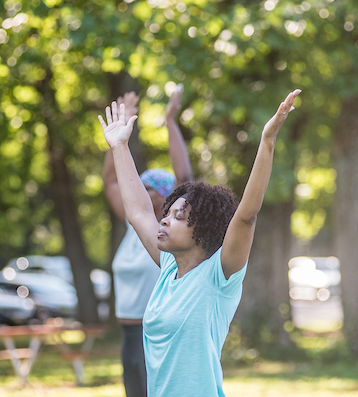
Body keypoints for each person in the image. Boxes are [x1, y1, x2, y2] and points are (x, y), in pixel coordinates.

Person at [98, 88, 301, 397]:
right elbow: (139, 210)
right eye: (168, 213)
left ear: (201, 230)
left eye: (178, 217)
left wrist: (267, 142)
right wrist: (120, 146)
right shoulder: (168, 268)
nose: (164, 220)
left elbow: (246, 216)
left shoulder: (218, 277)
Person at [102, 86, 193, 397]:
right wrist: (117, 135)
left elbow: (185, 177)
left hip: (155, 331)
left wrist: (170, 122)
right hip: (126, 331)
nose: (143, 191)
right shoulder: (134, 226)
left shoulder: (166, 236)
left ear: (166, 195)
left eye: (151, 187)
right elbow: (113, 180)